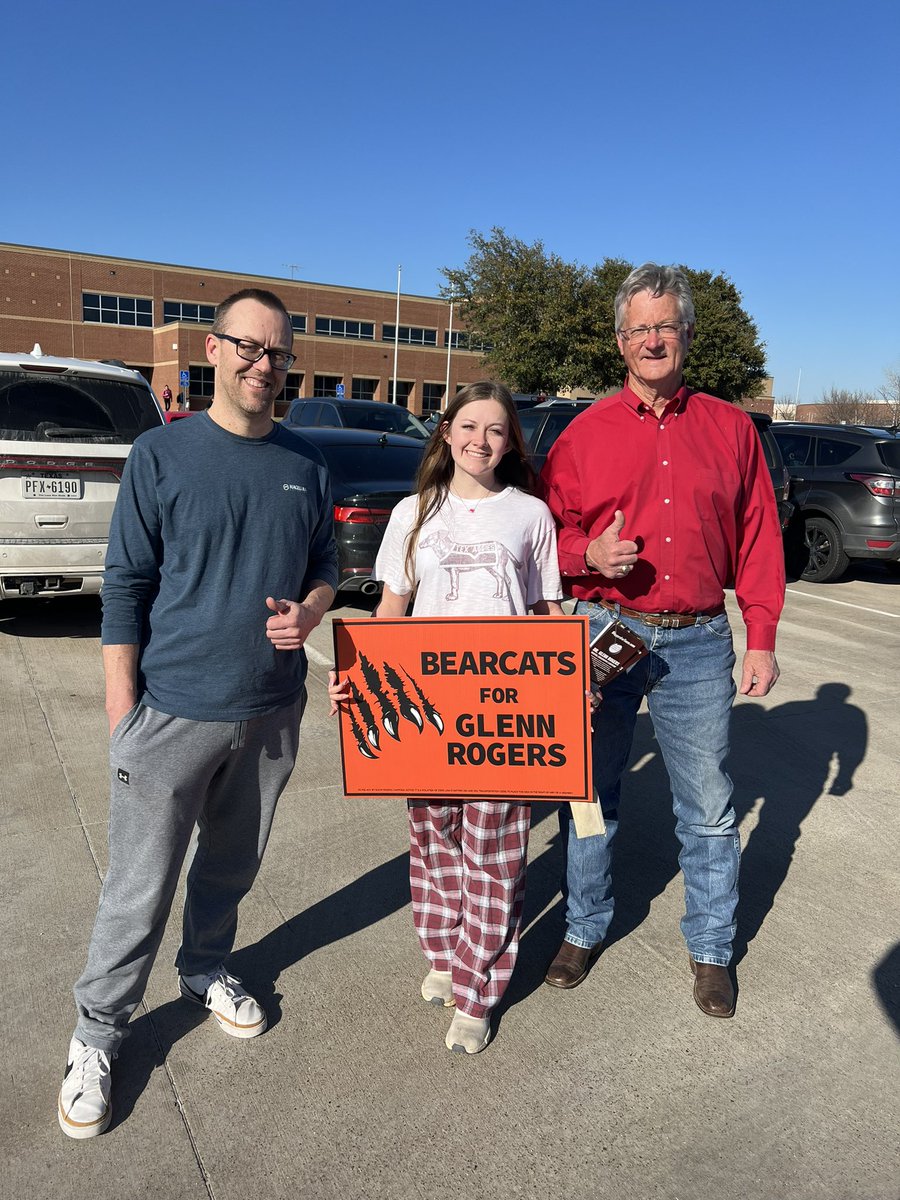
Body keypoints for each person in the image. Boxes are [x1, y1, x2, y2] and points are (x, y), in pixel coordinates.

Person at [58, 288, 338, 1138]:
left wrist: (314, 610)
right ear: (210, 351)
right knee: (138, 887)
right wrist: (121, 705)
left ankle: (205, 967)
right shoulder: (161, 453)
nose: (264, 364)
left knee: (230, 866)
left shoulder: (309, 464)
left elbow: (325, 563)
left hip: (271, 712)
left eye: (279, 354)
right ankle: (97, 1034)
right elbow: (126, 585)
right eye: (248, 348)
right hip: (172, 712)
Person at [540, 263, 784, 1017]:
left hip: (699, 640)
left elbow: (758, 536)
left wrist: (761, 636)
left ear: (685, 335)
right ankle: (584, 925)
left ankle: (712, 949)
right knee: (590, 793)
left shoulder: (731, 427)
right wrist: (588, 556)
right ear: (621, 341)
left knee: (708, 806)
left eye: (666, 326)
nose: (653, 339)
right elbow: (545, 535)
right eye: (640, 328)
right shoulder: (583, 435)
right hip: (603, 630)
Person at [329, 382, 564, 1054]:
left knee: (494, 853)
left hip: (504, 716)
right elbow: (389, 614)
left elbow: (548, 619)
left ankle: (478, 987)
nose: (480, 441)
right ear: (446, 433)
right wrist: (360, 683)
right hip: (424, 714)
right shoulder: (412, 514)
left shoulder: (530, 517)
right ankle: (443, 952)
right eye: (468, 426)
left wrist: (570, 688)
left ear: (511, 442)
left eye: (495, 430)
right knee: (434, 841)